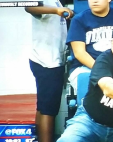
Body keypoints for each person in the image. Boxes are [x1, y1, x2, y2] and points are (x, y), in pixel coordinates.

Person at [24, 1, 73, 142]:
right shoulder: (47, 2)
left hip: (50, 61)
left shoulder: (56, 1)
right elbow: (29, 7)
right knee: (49, 110)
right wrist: (56, 11)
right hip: (46, 62)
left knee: (44, 107)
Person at [67, 0, 113, 92]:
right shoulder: (79, 19)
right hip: (86, 68)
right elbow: (79, 53)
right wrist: (103, 70)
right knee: (97, 91)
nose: (94, 1)